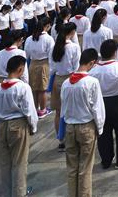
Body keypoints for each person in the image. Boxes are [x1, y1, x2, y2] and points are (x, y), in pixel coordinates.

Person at [0, 54, 38, 197]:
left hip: (2, 126)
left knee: (5, 162)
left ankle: (7, 192)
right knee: (19, 163)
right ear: (20, 69)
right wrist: (33, 127)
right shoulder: (23, 87)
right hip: (18, 125)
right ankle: (19, 192)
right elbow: (29, 111)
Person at [61, 49, 105, 197]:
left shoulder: (67, 83)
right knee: (85, 169)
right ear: (92, 63)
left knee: (72, 168)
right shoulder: (92, 82)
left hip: (70, 127)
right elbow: (97, 109)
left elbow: (63, 107)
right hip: (86, 127)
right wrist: (100, 129)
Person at [90, 39, 118, 169]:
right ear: (115, 52)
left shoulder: (93, 70)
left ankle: (106, 160)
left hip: (101, 103)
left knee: (104, 133)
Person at [50, 22, 80, 151]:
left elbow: (52, 67)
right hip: (70, 79)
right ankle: (72, 138)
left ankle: (61, 139)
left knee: (58, 111)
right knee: (72, 110)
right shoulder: (73, 47)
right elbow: (76, 66)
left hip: (57, 79)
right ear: (72, 32)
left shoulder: (55, 46)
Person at [25, 18, 54, 118]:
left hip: (32, 64)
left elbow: (27, 54)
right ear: (47, 26)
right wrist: (51, 68)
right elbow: (51, 55)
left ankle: (35, 108)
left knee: (34, 88)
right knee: (42, 89)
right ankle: (43, 110)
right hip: (44, 64)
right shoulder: (48, 39)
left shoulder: (29, 38)